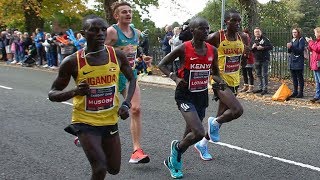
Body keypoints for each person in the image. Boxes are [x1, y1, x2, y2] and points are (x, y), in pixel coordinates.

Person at [48, 15, 136, 180]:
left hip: (109, 120)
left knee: (114, 168)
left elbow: (132, 78)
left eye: (103, 29)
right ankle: (84, 138)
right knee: (100, 168)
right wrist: (75, 92)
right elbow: (52, 94)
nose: (101, 34)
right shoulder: (72, 61)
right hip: (84, 121)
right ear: (83, 34)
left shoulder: (116, 55)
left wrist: (126, 103)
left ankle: (88, 142)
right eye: (94, 30)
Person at [159, 16, 224, 179]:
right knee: (199, 132)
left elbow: (215, 73)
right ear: (193, 31)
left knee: (189, 135)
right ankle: (176, 150)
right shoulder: (183, 48)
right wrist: (175, 77)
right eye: (202, 28)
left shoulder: (212, 50)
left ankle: (173, 161)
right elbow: (162, 64)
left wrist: (220, 82)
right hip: (184, 95)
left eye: (208, 28)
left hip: (201, 95)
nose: (206, 31)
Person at [194, 9, 246, 158]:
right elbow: (200, 47)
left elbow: (242, 57)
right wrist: (206, 68)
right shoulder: (217, 36)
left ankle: (202, 144)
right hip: (219, 81)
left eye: (238, 21)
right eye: (233, 21)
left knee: (221, 116)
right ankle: (214, 123)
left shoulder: (243, 37)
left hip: (235, 80)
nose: (237, 23)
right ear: (226, 22)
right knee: (237, 110)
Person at [105, 1, 150, 164]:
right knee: (104, 111)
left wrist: (142, 58)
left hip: (129, 75)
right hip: (109, 77)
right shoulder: (111, 32)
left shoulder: (136, 33)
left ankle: (136, 150)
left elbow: (135, 50)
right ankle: (85, 132)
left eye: (130, 11)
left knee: (136, 109)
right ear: (116, 16)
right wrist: (119, 51)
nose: (128, 14)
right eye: (124, 12)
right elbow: (97, 51)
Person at [251, 27, 273, 95]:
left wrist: (263, 48)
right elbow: (250, 49)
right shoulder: (253, 39)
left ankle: (265, 89)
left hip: (264, 59)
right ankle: (260, 87)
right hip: (256, 59)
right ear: (254, 33)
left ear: (260, 32)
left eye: (258, 31)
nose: (257, 33)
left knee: (264, 74)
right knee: (258, 74)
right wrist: (253, 47)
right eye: (255, 32)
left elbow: (271, 47)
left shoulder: (265, 39)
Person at [287, 28, 305, 98]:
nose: (294, 34)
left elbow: (300, 50)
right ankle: (295, 91)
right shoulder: (292, 40)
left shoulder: (301, 40)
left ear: (298, 33)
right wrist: (289, 47)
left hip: (298, 60)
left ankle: (301, 92)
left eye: (295, 32)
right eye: (293, 32)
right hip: (292, 60)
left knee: (299, 77)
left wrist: (292, 46)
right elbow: (290, 51)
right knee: (294, 77)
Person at [306, 27, 320, 103]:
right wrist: (310, 43)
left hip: (318, 64)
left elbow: (318, 49)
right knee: (317, 82)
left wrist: (311, 42)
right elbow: (312, 49)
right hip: (315, 64)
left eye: (315, 32)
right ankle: (317, 96)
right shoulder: (316, 41)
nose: (314, 34)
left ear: (319, 33)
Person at [239, 29, 255, 93]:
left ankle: (251, 86)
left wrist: (248, 51)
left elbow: (252, 49)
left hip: (249, 58)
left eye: (246, 34)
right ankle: (246, 86)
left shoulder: (251, 41)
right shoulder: (241, 41)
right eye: (244, 34)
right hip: (243, 59)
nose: (245, 35)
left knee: (250, 73)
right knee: (244, 73)